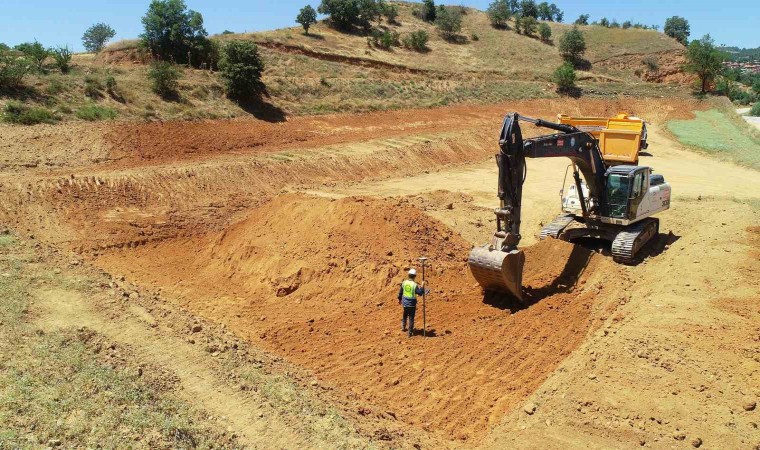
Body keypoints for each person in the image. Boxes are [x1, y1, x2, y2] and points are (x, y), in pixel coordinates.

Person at [398, 268, 426, 338]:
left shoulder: (404, 282)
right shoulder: (414, 285)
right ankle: (410, 332)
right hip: (412, 304)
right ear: (415, 276)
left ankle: (403, 326)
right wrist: (422, 286)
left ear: (408, 275)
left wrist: (399, 299)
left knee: (405, 314)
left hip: (405, 303)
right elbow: (420, 293)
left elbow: (400, 292)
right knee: (411, 317)